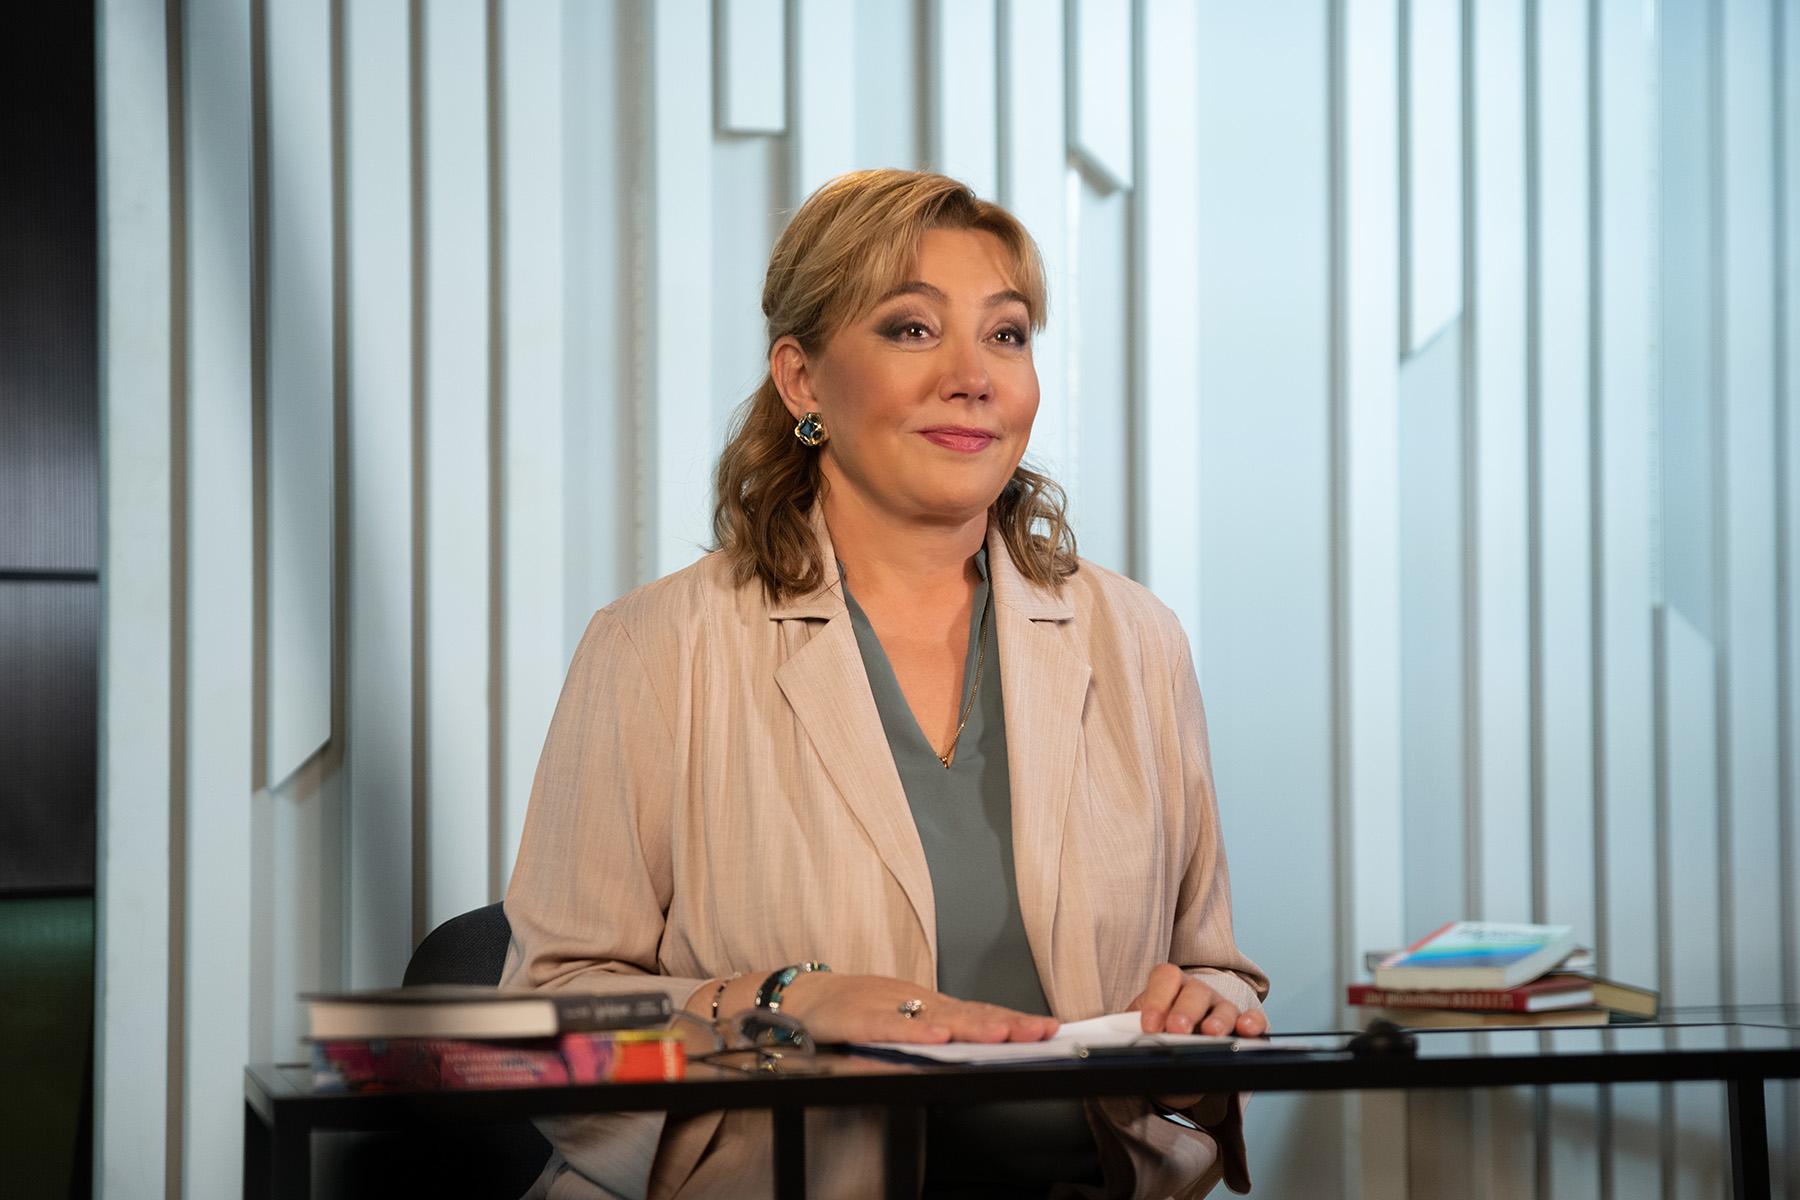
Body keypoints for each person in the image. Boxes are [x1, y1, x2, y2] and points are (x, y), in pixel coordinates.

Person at [501, 169, 1269, 1200]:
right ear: (802, 380)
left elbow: (1214, 967)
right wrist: (779, 1004)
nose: (974, 377)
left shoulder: (1138, 641)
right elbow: (548, 1029)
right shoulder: (655, 648)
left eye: (1006, 335)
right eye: (913, 329)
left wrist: (1208, 1013)